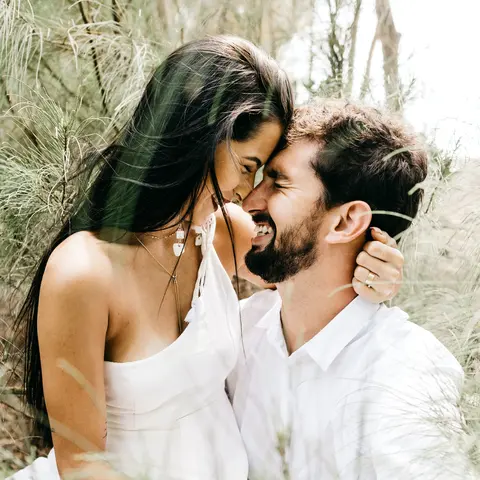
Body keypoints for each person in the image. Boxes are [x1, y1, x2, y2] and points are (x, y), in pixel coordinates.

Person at [10, 39, 403, 480]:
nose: (249, 192)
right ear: (197, 140)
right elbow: (80, 462)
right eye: (248, 165)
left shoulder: (224, 233)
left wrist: (374, 275)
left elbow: (307, 279)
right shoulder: (84, 272)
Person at [228, 101, 472, 479]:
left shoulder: (408, 371)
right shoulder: (237, 330)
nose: (249, 199)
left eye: (278, 182)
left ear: (345, 222)